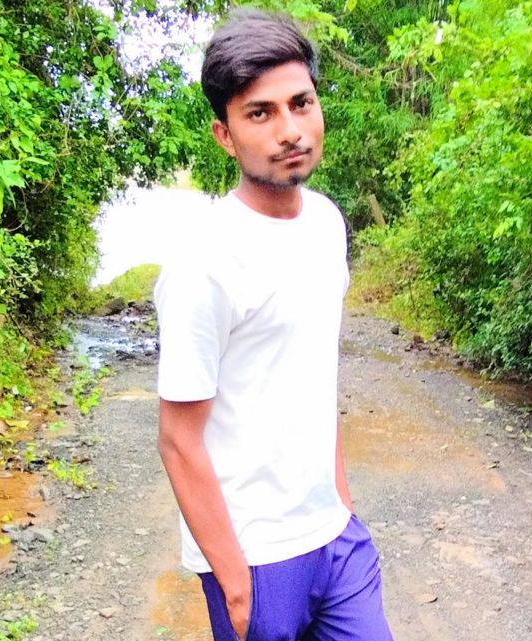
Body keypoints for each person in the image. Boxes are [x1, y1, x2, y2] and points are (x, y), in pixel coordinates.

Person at [154, 8, 394, 641]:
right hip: (256, 556)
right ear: (225, 135)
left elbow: (311, 374)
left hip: (335, 539)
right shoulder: (206, 262)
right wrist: (236, 583)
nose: (290, 130)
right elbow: (178, 439)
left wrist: (341, 505)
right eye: (260, 113)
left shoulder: (327, 224)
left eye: (301, 103)